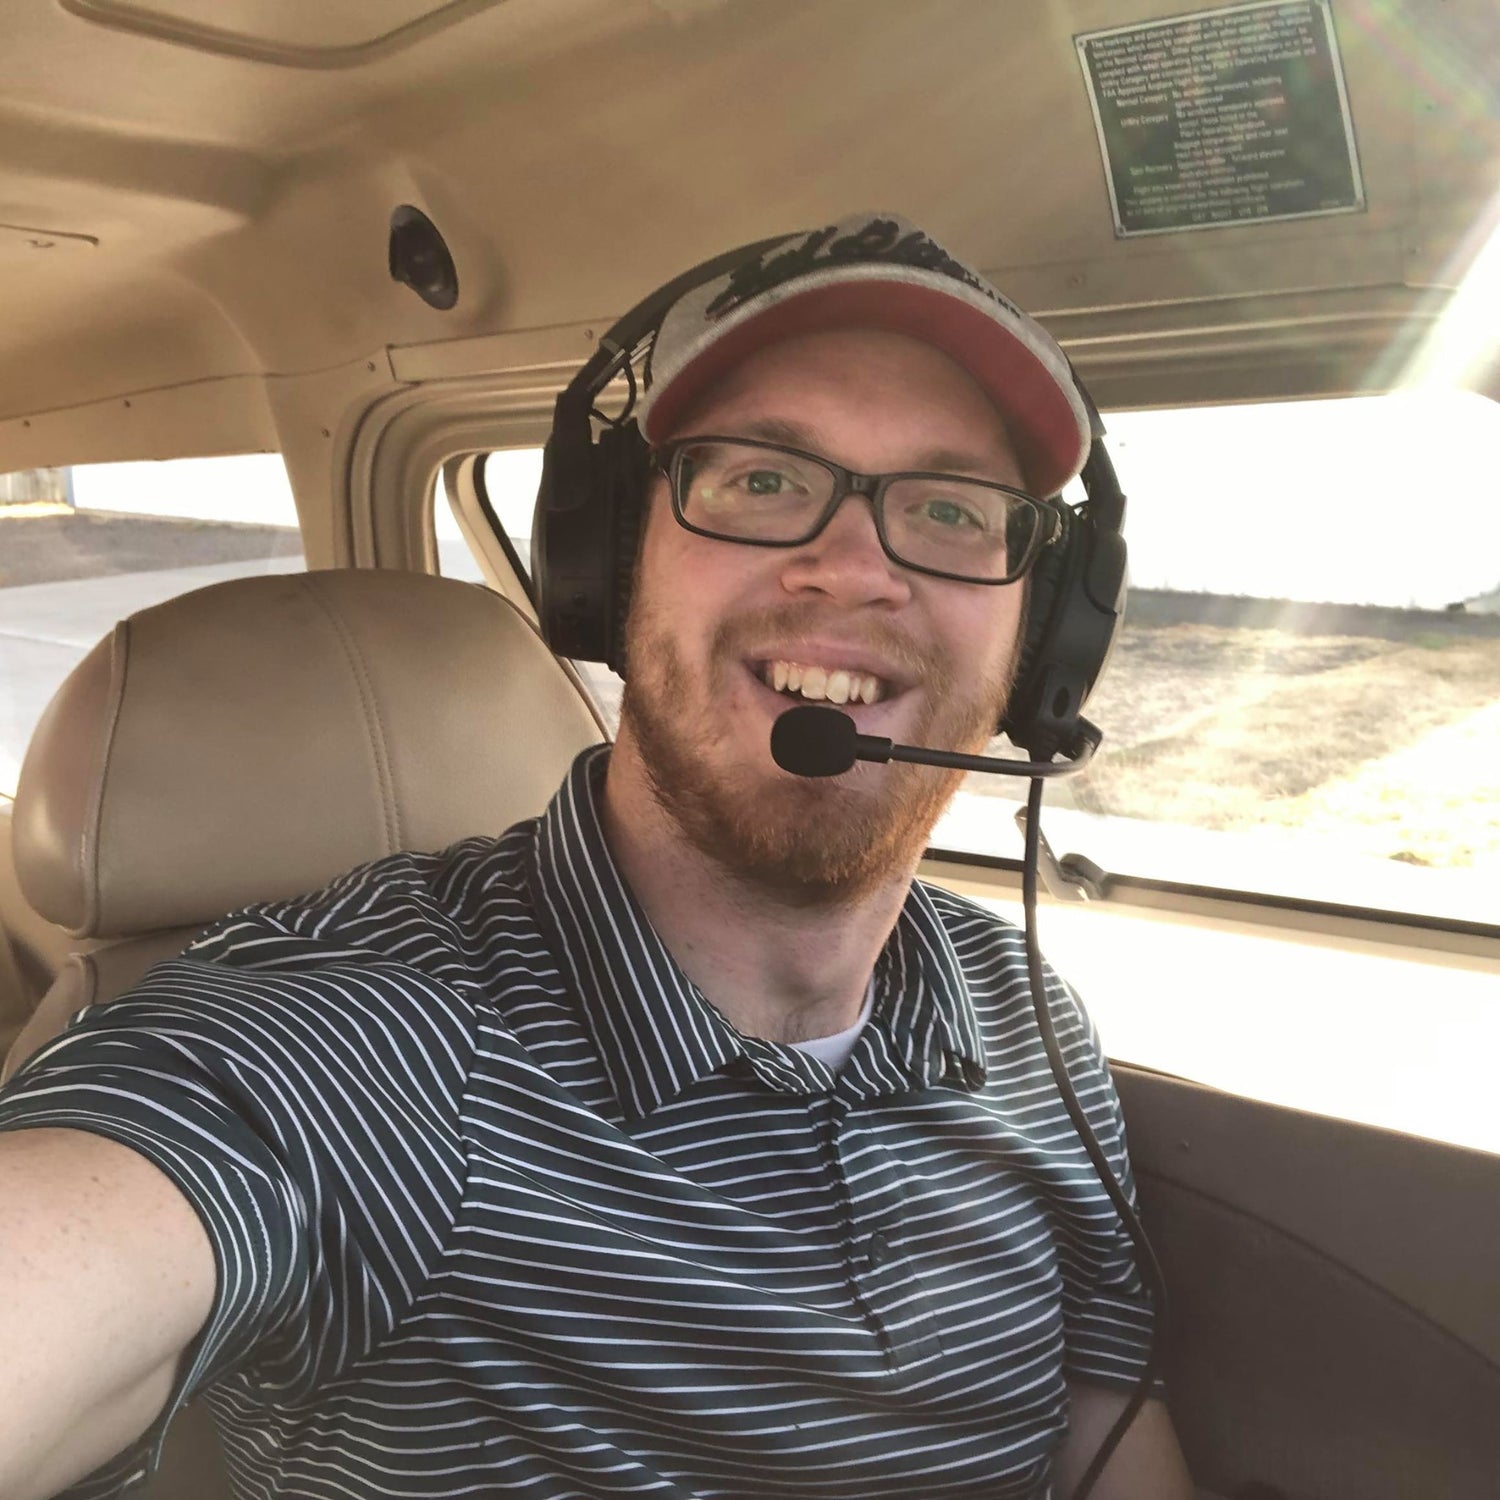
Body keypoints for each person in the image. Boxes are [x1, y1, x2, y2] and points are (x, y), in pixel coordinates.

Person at [0, 214, 1193, 1500]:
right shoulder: (370, 1040)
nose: (852, 570)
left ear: (1044, 637)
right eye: (761, 482)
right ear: (609, 564)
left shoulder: (1021, 1011)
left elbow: (1104, 1427)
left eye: (952, 509)